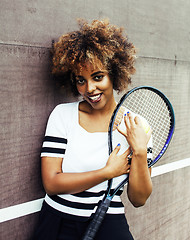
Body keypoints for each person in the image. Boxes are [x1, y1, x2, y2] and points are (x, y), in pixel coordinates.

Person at [33, 19, 152, 240]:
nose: (89, 89)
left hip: (108, 219)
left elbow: (139, 199)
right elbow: (51, 183)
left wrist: (140, 151)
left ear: (114, 74)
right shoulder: (63, 115)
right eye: (81, 80)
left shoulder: (137, 126)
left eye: (98, 77)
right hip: (58, 219)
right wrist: (107, 173)